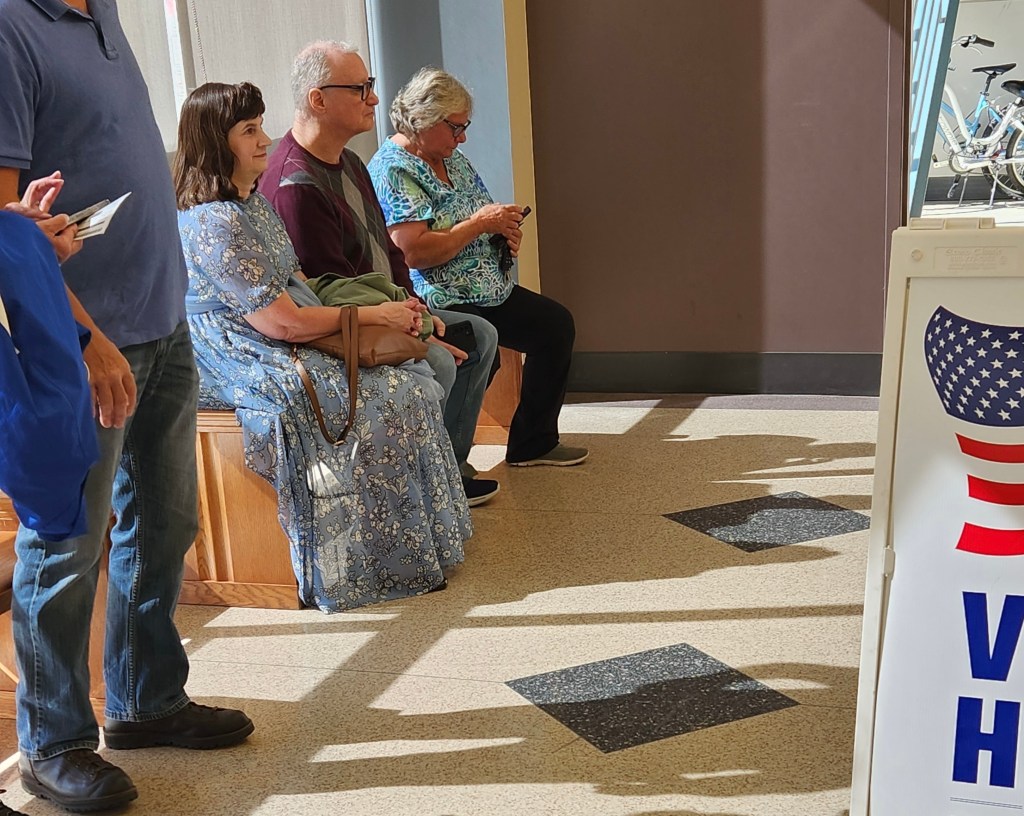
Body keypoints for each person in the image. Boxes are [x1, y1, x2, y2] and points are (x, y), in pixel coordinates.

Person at [0, 1, 253, 811]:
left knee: (167, 522)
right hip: (84, 345)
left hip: (163, 323)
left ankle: (146, 700)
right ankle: (54, 743)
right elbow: (4, 225)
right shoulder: (10, 25)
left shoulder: (102, 14)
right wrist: (83, 340)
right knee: (66, 545)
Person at [174, 82, 470, 613]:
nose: (264, 140)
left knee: (408, 387)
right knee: (391, 396)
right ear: (216, 145)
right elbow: (281, 323)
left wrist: (381, 315)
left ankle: (407, 549)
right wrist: (371, 316)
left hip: (277, 329)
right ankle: (352, 565)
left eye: (260, 126)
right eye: (249, 131)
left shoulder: (251, 203)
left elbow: (299, 287)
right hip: (239, 350)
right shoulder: (214, 223)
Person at [258, 40, 502, 505]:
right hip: (345, 332)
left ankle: (450, 467)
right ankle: (426, 487)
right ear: (318, 99)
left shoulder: (350, 161)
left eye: (370, 86)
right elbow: (332, 292)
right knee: (441, 359)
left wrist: (420, 309)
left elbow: (389, 256)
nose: (374, 98)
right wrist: (416, 326)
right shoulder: (294, 184)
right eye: (361, 88)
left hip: (386, 308)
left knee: (481, 335)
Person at [369, 67, 588, 468]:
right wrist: (480, 225)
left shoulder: (451, 158)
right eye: (455, 128)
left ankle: (533, 444)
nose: (462, 137)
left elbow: (478, 214)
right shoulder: (393, 169)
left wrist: (503, 231)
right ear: (423, 121)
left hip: (488, 289)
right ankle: (446, 463)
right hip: (439, 296)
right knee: (478, 350)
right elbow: (413, 252)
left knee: (555, 327)